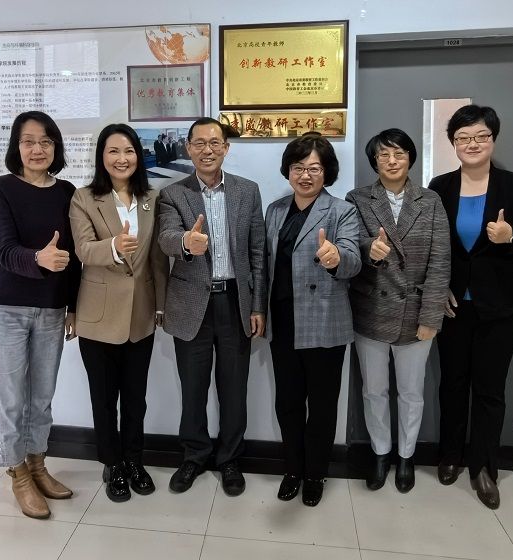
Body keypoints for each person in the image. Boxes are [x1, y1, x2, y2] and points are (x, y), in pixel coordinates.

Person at [429, 105, 513, 509]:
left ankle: (483, 467)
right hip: (451, 305)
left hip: (498, 306)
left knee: (490, 389)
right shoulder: (440, 186)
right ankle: (450, 454)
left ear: (493, 139)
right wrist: (438, 288)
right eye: (463, 137)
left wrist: (510, 235)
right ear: (454, 144)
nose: (472, 144)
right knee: (452, 383)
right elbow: (433, 244)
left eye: (481, 136)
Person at [157, 117, 266, 497]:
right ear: (188, 148)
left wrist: (258, 305)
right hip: (191, 305)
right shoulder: (173, 194)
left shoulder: (248, 191)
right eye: (199, 143)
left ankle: (230, 458)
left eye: (215, 143)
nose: (207, 150)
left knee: (234, 388)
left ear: (226, 148)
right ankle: (195, 455)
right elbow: (166, 237)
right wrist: (186, 243)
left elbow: (258, 252)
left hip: (236, 301)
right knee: (193, 388)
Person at [0, 110, 80, 519]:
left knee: (41, 397)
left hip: (52, 309)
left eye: (45, 142)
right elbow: (4, 250)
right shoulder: (0, 189)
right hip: (5, 307)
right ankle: (17, 472)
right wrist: (38, 258)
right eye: (28, 141)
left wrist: (73, 305)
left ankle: (38, 464)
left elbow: (74, 257)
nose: (37, 149)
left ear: (56, 147)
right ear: (16, 147)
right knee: (11, 399)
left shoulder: (67, 192)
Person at [346, 129, 450, 493]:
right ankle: (380, 453)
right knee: (373, 390)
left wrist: (431, 317)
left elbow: (440, 263)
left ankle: (406, 456)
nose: (392, 161)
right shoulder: (358, 198)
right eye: (384, 154)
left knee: (411, 392)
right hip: (370, 310)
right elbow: (350, 246)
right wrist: (368, 251)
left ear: (410, 159)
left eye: (399, 154)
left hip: (416, 312)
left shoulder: (430, 201)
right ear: (374, 160)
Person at [69, 124, 168, 502]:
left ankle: (134, 461)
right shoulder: (84, 198)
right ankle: (112, 465)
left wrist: (160, 304)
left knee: (136, 398)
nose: (121, 158)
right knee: (104, 397)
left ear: (138, 155)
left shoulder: (152, 198)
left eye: (128, 151)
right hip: (97, 316)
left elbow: (157, 259)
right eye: (113, 151)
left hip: (141, 315)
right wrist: (113, 245)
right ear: (102, 157)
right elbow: (82, 249)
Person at [265, 132, 361, 506]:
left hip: (324, 321)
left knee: (321, 405)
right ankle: (293, 468)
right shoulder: (275, 210)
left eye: (314, 168)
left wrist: (337, 258)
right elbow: (263, 266)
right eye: (298, 167)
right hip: (283, 321)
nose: (305, 175)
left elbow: (353, 260)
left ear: (327, 172)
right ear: (288, 171)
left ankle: (316, 472)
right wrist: (258, 310)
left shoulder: (341, 211)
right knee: (288, 402)